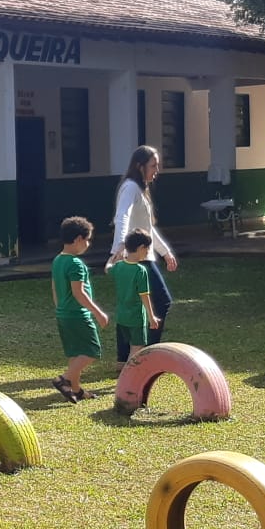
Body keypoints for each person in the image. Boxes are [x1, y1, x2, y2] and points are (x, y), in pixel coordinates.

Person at [109, 145, 177, 365]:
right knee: (162, 302)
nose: (156, 170)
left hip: (144, 254)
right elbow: (122, 217)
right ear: (139, 166)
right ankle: (148, 352)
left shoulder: (140, 190)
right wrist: (118, 247)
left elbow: (147, 228)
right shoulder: (130, 187)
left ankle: (125, 356)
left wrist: (165, 252)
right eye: (153, 165)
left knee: (130, 305)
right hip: (138, 256)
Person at [52, 216, 109, 403]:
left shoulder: (58, 260)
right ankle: (64, 379)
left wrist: (59, 307)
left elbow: (55, 287)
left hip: (63, 314)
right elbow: (79, 292)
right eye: (87, 239)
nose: (88, 244)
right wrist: (98, 312)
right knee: (92, 351)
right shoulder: (76, 264)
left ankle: (76, 390)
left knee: (76, 353)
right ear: (78, 239)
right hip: (78, 315)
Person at [108, 229, 161, 363]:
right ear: (141, 248)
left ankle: (128, 371)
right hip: (136, 318)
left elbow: (107, 268)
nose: (148, 252)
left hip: (122, 317)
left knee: (131, 345)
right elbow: (144, 296)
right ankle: (129, 376)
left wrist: (113, 257)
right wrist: (151, 317)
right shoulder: (140, 270)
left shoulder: (119, 266)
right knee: (137, 347)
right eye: (147, 249)